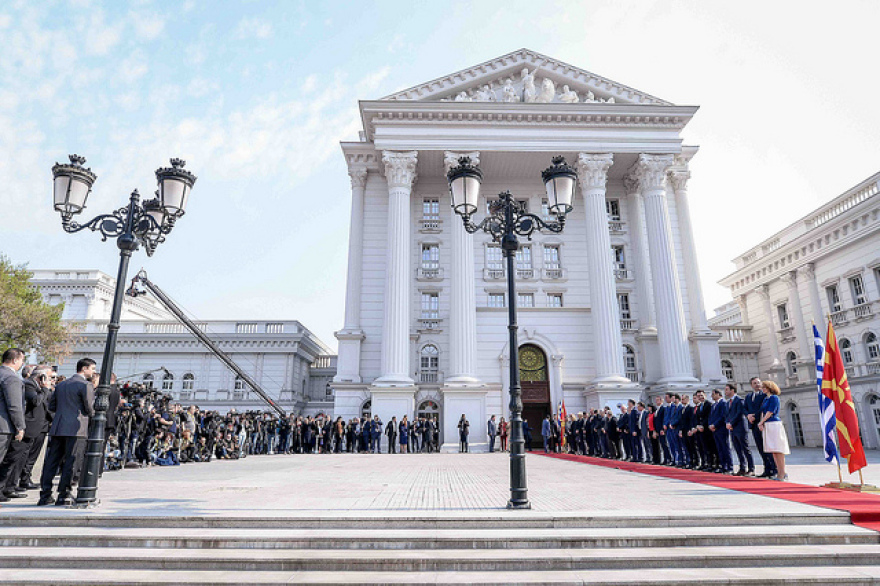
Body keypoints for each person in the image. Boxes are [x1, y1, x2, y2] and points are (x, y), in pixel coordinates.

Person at [39, 358, 96, 506]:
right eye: (92, 368)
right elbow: (89, 408)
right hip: (77, 428)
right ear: (84, 369)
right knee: (72, 461)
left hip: (58, 427)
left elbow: (52, 406)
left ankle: (45, 494)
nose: (93, 372)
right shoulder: (85, 385)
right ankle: (64, 493)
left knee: (51, 462)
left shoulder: (61, 385)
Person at [0, 349, 27, 504]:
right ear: (16, 360)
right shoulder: (11, 378)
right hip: (3, 427)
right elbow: (14, 405)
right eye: (22, 360)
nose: (22, 364)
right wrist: (20, 426)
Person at [758, 380, 789, 481]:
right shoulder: (765, 399)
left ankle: (782, 473)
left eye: (765, 387)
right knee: (773, 451)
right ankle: (780, 472)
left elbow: (770, 412)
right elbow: (763, 411)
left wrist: (762, 421)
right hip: (767, 424)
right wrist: (761, 422)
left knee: (778, 449)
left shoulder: (774, 398)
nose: (763, 388)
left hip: (774, 424)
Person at [746, 376, 776, 478]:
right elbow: (744, 408)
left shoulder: (765, 396)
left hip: (763, 424)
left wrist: (755, 416)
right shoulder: (749, 396)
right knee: (760, 448)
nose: (757, 385)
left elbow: (764, 409)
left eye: (759, 383)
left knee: (768, 447)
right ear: (751, 385)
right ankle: (766, 469)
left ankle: (773, 469)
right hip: (754, 425)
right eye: (755, 383)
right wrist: (748, 415)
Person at [724, 383, 755, 476]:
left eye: (726, 389)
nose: (725, 391)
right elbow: (727, 415)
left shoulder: (739, 400)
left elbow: (739, 413)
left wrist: (731, 423)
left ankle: (751, 468)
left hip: (740, 427)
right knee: (737, 449)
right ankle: (742, 467)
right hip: (732, 428)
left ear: (732, 390)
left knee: (745, 449)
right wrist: (727, 423)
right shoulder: (727, 402)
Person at [708, 388, 732, 474]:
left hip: (721, 429)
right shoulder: (714, 405)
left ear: (719, 394)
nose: (712, 396)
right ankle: (723, 466)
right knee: (719, 449)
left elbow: (722, 416)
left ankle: (729, 466)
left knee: (725, 447)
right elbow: (711, 416)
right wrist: (710, 424)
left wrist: (715, 425)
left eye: (713, 394)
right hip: (715, 430)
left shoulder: (723, 403)